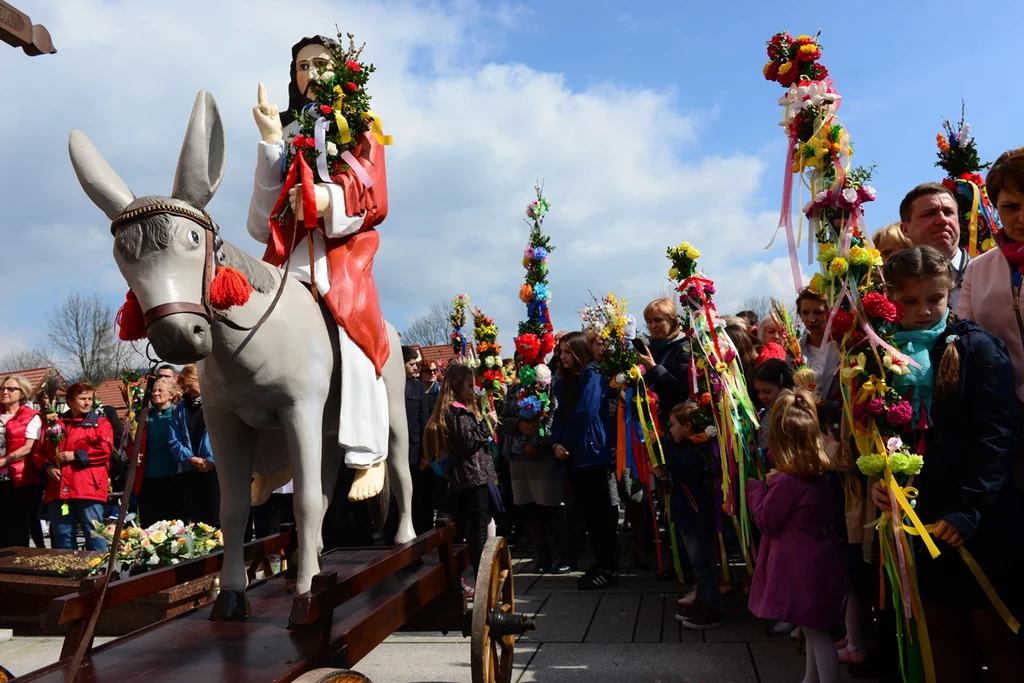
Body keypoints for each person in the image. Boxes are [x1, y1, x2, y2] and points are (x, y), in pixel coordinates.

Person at [248, 35, 391, 500]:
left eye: (319, 63)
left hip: (340, 255)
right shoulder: (290, 132)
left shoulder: (361, 124)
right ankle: (273, 459)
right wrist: (271, 142)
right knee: (258, 334)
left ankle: (370, 453)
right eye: (302, 66)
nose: (309, 72)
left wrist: (325, 197)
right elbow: (261, 219)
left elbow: (373, 195)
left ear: (340, 69)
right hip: (290, 256)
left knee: (351, 335)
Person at [873, 246, 1023, 682]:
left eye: (935, 300)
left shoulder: (977, 348)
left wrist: (969, 509)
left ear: (951, 293)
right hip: (919, 514)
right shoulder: (877, 354)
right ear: (891, 297)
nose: (924, 311)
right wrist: (880, 482)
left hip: (978, 516)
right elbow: (872, 434)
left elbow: (997, 436)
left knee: (991, 627)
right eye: (910, 301)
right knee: (938, 627)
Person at [746, 386, 845, 683]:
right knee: (812, 628)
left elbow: (767, 521)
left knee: (816, 634)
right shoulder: (818, 474)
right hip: (821, 559)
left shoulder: (787, 481)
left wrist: (754, 490)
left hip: (800, 566)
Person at [958, 146, 1024, 490]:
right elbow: (964, 342)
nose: (1021, 218)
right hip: (1005, 424)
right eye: (1011, 207)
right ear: (996, 208)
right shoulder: (979, 269)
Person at [550, 332, 618, 590]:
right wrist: (556, 443)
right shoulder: (563, 381)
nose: (563, 356)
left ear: (579, 351)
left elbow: (586, 411)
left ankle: (607, 569)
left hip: (590, 452)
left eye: (568, 351)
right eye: (561, 351)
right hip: (572, 453)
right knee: (589, 513)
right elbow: (557, 414)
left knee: (600, 514)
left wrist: (565, 443)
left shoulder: (593, 373)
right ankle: (602, 565)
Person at [424, 364, 497, 585]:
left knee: (476, 527)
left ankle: (473, 576)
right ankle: (480, 577)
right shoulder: (455, 411)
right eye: (469, 385)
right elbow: (467, 443)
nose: (472, 390)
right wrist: (487, 424)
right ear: (456, 385)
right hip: (470, 477)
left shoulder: (459, 409)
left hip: (474, 476)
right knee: (476, 531)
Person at [659, 401, 721, 630]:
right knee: (698, 565)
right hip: (687, 513)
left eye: (673, 425)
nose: (670, 430)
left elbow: (683, 469)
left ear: (687, 426)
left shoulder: (699, 448)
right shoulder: (688, 447)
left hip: (696, 515)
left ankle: (711, 609)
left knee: (702, 563)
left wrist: (663, 446)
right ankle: (703, 601)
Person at [501, 354, 563, 572]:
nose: (523, 366)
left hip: (541, 455)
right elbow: (503, 419)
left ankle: (563, 551)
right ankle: (542, 552)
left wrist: (536, 440)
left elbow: (552, 415)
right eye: (521, 362)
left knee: (548, 505)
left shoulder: (550, 385)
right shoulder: (513, 391)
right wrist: (518, 425)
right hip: (518, 457)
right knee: (526, 507)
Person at [35, 383, 112, 551]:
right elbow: (38, 452)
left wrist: (75, 455)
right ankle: (69, 574)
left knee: (94, 534)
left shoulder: (100, 423)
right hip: (59, 489)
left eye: (90, 399)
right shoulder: (55, 424)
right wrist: (47, 467)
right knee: (63, 535)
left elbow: (104, 450)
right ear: (70, 401)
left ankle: (101, 573)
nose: (87, 403)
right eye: (82, 399)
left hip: (88, 489)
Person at [899, 182, 970, 308]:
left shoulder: (990, 274)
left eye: (948, 212)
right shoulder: (892, 283)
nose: (943, 220)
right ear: (905, 230)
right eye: (930, 213)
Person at [169, 365, 219, 527]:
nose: (187, 390)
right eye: (184, 387)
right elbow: (174, 439)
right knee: (197, 518)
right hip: (191, 470)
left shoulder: (217, 403)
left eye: (189, 385)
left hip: (216, 470)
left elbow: (224, 434)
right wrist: (191, 459)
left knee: (216, 517)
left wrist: (211, 460)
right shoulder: (181, 409)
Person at [0, 375, 43, 547]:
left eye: (11, 389)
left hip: (20, 480)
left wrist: (3, 462)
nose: (5, 392)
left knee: (18, 526)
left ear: (22, 394)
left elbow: (27, 448)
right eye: (3, 388)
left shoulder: (31, 417)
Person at [135, 377, 184, 526]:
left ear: (171, 394)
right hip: (149, 477)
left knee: (173, 523)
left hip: (174, 477)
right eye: (154, 391)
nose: (155, 393)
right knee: (149, 523)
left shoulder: (179, 414)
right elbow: (132, 441)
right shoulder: (144, 416)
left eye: (160, 390)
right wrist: (134, 454)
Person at [402, 346, 433, 535]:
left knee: (420, 497)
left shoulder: (417, 387)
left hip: (416, 453)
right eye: (412, 364)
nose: (416, 368)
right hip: (395, 452)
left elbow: (424, 422)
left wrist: (427, 454)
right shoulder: (388, 386)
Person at [797, 288, 840, 396]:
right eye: (805, 313)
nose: (811, 319)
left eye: (818, 312)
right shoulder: (796, 350)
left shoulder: (844, 347)